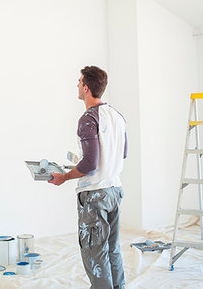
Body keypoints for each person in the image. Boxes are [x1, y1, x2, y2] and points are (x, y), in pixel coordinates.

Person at [49, 66, 127, 289]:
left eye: (79, 81)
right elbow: (122, 153)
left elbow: (90, 165)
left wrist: (64, 176)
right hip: (114, 190)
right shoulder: (117, 117)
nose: (77, 85)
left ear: (86, 88)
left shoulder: (88, 118)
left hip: (94, 195)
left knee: (95, 254)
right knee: (112, 249)